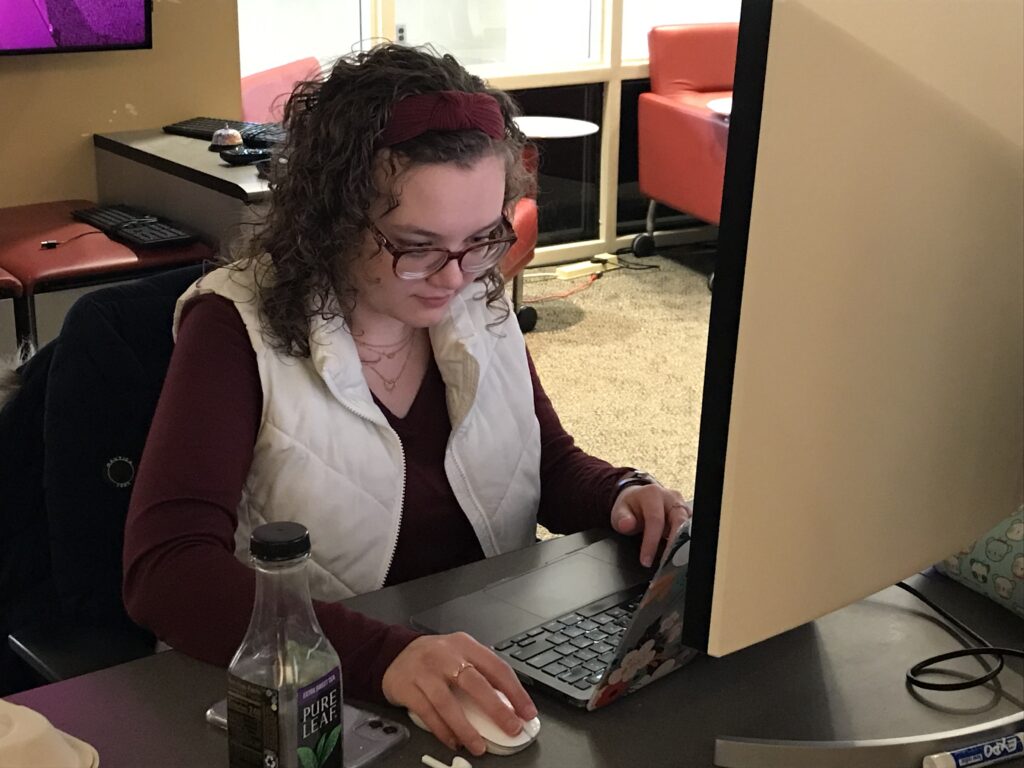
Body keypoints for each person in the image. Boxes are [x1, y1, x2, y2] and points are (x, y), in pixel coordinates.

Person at [122, 43, 691, 757]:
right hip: (312, 701)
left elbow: (541, 460)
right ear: (330, 216)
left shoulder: (476, 299)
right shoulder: (236, 327)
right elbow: (166, 572)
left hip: (471, 670)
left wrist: (618, 493)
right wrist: (385, 656)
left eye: (482, 239)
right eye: (416, 246)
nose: (455, 279)